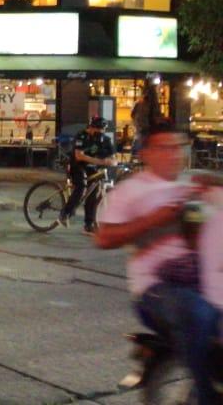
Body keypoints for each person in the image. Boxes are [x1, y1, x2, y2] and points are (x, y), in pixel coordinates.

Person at [96, 124, 218, 405]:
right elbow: (103, 239)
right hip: (157, 289)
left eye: (178, 147)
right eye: (165, 148)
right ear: (147, 153)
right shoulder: (131, 190)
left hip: (203, 279)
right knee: (200, 313)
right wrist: (157, 218)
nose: (173, 154)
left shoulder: (190, 185)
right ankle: (204, 396)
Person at [60, 116, 117, 232]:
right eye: (98, 130)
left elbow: (113, 157)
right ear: (91, 128)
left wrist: (113, 162)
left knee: (93, 193)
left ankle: (89, 224)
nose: (101, 133)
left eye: (103, 131)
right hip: (77, 166)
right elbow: (79, 155)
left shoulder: (104, 139)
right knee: (81, 187)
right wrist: (100, 161)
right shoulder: (81, 136)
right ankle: (65, 213)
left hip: (92, 168)